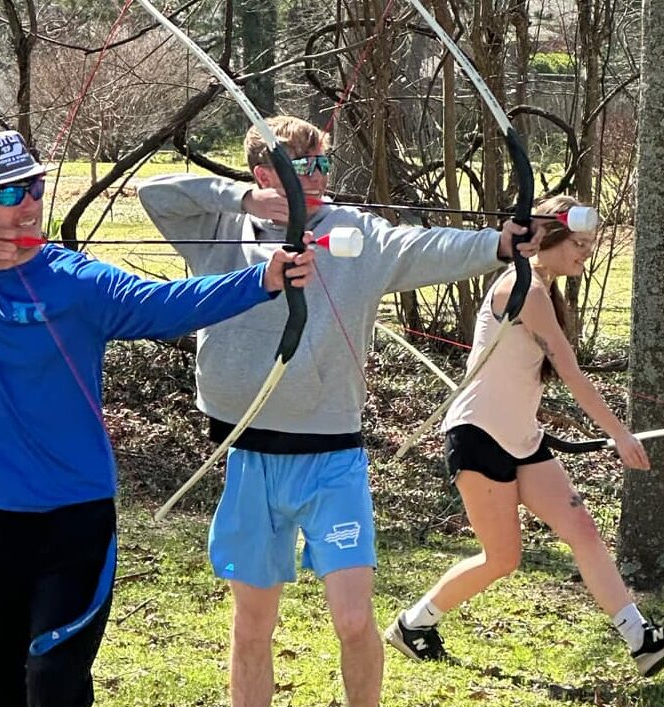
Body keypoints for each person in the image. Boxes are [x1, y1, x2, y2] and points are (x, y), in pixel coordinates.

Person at [0, 129, 316, 707]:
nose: (28, 203)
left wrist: (264, 278)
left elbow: (166, 306)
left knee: (54, 681)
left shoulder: (79, 281)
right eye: (7, 194)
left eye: (33, 187)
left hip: (74, 522)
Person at [137, 115, 538, 707]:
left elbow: (424, 247)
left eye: (324, 164)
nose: (319, 177)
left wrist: (499, 245)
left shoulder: (356, 235)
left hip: (331, 460)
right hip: (248, 454)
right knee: (252, 627)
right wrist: (244, 199)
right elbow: (154, 193)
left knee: (353, 620)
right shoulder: (219, 228)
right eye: (303, 168)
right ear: (264, 173)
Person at [383, 195, 664, 677]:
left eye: (591, 243)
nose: (586, 252)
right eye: (578, 242)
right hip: (478, 436)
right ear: (548, 237)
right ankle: (412, 625)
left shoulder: (544, 289)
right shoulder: (523, 288)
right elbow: (570, 371)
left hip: (523, 439)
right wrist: (618, 434)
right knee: (502, 557)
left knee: (583, 530)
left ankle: (642, 641)